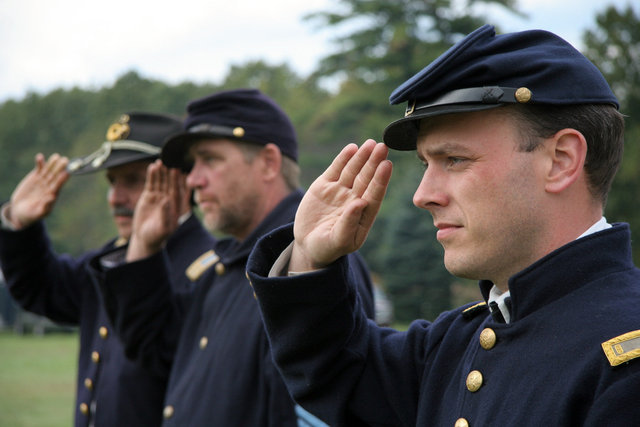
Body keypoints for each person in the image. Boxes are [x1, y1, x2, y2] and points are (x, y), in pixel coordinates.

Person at [246, 24, 640, 426]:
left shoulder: (626, 360)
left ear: (561, 160)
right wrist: (310, 258)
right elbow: (340, 374)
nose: (423, 195)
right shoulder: (461, 340)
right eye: (425, 164)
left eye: (455, 160)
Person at [87, 88, 375, 426]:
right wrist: (144, 249)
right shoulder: (222, 268)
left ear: (268, 163)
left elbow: (322, 408)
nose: (193, 179)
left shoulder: (312, 264)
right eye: (193, 164)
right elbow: (156, 354)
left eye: (210, 159)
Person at [0, 112, 216, 427]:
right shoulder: (113, 256)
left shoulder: (208, 268)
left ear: (180, 181)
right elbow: (42, 289)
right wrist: (19, 225)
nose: (115, 198)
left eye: (133, 180)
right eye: (112, 182)